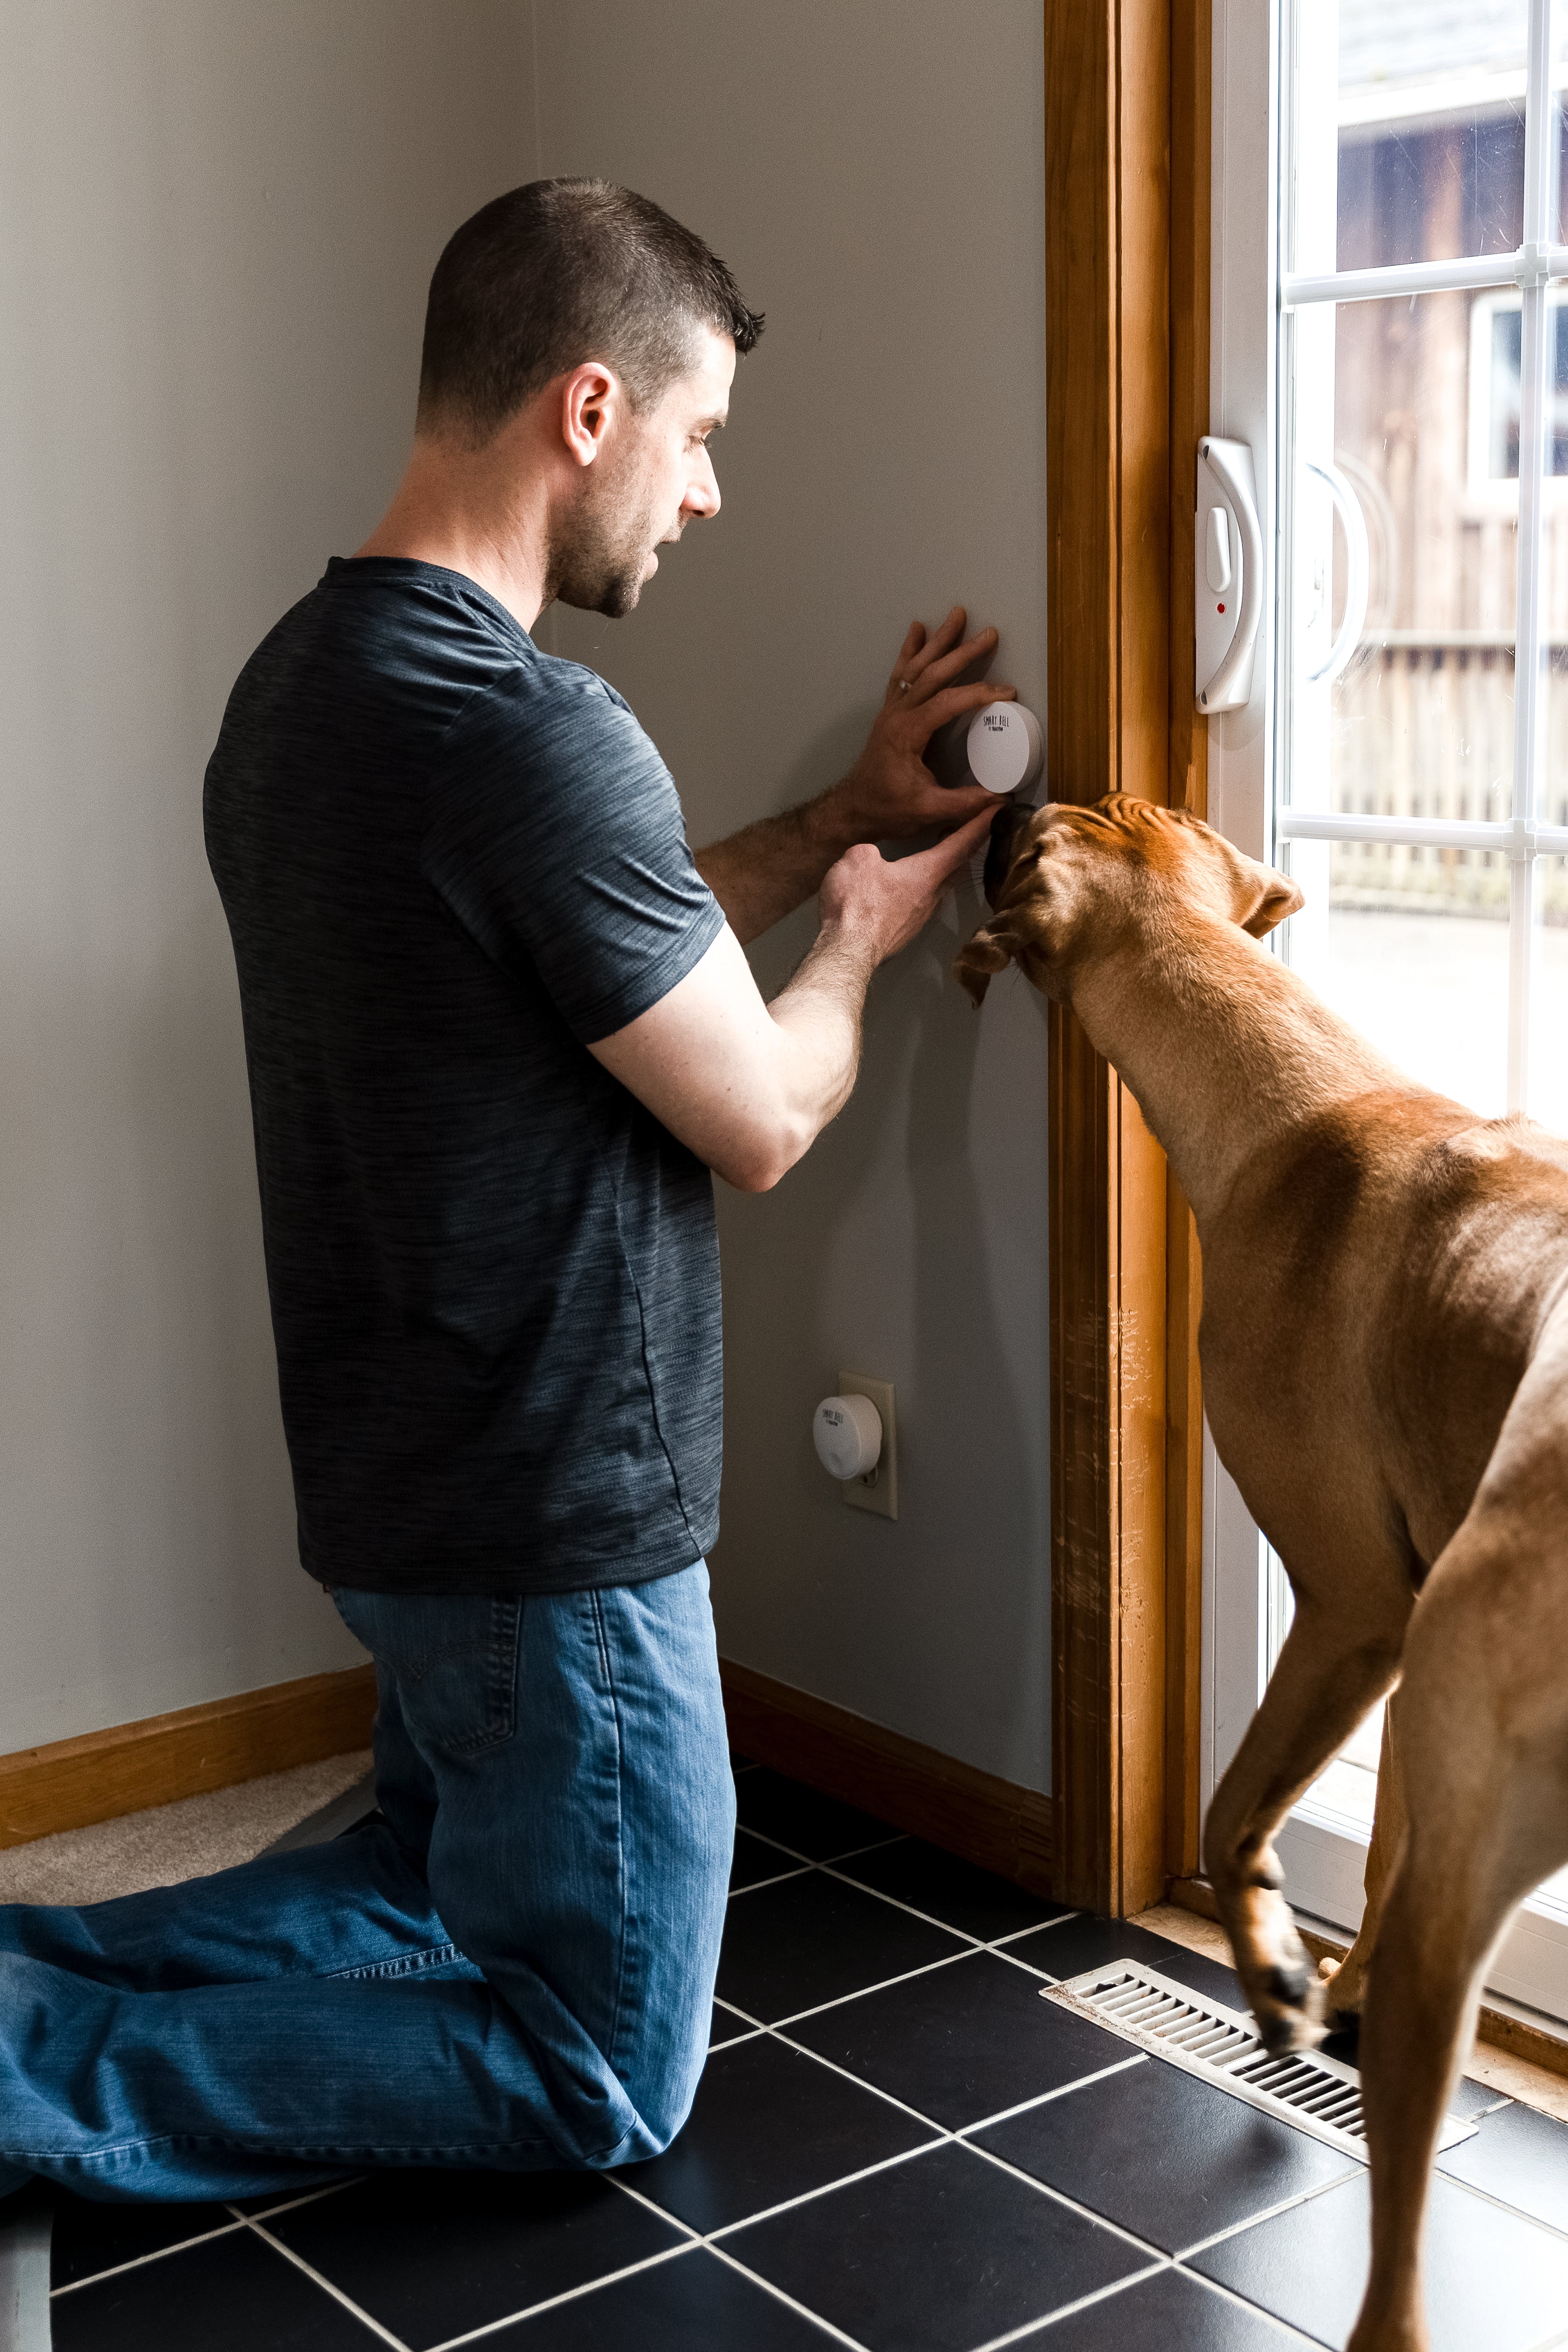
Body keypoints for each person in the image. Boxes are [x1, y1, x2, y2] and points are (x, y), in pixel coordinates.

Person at [0, 179, 1011, 2202]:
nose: (707, 492)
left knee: (414, 1896)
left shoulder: (297, 695)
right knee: (594, 2062)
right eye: (700, 433)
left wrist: (830, 823)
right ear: (585, 410)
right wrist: (863, 939)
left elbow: (564, 940)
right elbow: (764, 1113)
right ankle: (38, 2099)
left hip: (403, 1491)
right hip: (556, 1529)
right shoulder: (538, 735)